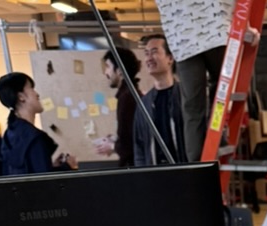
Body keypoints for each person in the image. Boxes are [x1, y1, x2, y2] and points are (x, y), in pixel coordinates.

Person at [153, 0, 233, 162]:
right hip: (215, 25)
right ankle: (217, 135)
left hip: (181, 35)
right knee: (220, 90)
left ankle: (196, 163)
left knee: (192, 107)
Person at [0, 72, 77, 176]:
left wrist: (50, 165)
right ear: (21, 97)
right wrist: (67, 166)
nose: (37, 94)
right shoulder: (34, 137)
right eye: (31, 88)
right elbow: (44, 180)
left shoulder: (9, 134)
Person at [133, 34, 187, 166]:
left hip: (185, 170)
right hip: (155, 173)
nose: (149, 58)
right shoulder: (144, 104)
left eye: (154, 52)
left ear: (170, 58)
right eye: (146, 53)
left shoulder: (185, 96)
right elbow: (139, 146)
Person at [93, 47, 141, 168]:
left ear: (119, 71)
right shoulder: (129, 94)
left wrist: (111, 146)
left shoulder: (127, 97)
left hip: (133, 167)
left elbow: (132, 142)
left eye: (108, 67)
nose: (106, 73)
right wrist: (115, 140)